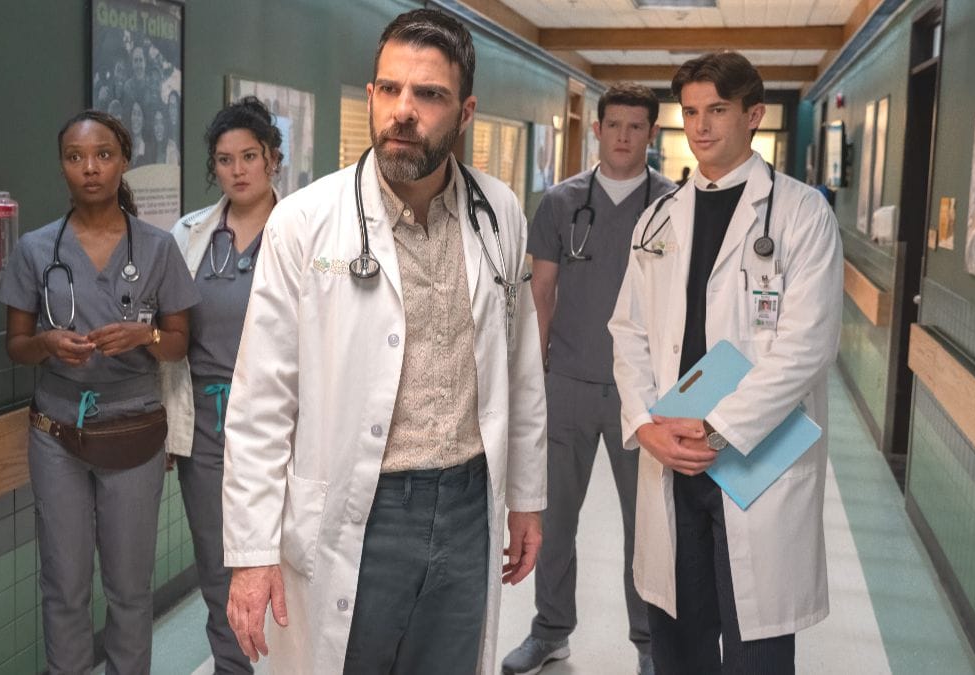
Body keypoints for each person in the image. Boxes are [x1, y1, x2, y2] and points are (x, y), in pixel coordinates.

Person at [220, 9, 547, 674]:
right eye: (389, 89)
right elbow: (260, 402)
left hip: (466, 505)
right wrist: (253, 553)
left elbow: (521, 369)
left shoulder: (499, 213)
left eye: (429, 94)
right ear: (370, 96)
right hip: (361, 509)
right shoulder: (306, 223)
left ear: (465, 111)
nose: (404, 110)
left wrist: (527, 499)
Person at [609, 51, 842, 674]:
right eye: (690, 112)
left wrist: (719, 426)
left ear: (753, 115)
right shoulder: (658, 218)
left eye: (717, 110)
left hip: (753, 455)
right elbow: (627, 330)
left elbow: (809, 344)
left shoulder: (799, 213)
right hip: (672, 453)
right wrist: (646, 424)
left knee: (756, 649)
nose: (701, 126)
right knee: (678, 640)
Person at [0, 110, 200, 673]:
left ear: (124, 161)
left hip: (132, 435)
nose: (90, 169)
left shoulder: (158, 248)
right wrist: (47, 343)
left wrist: (146, 334)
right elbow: (15, 345)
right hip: (56, 434)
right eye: (75, 157)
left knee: (130, 589)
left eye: (103, 155)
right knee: (63, 584)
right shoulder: (37, 250)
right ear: (62, 165)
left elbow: (179, 343)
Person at [503, 82, 675, 675]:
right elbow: (541, 292)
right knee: (552, 521)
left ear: (651, 135)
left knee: (647, 528)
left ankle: (650, 643)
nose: (624, 136)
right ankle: (550, 629)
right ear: (596, 128)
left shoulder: (673, 205)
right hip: (568, 383)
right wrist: (536, 375)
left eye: (637, 127)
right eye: (615, 124)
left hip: (644, 395)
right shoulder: (559, 203)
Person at [161, 96, 282, 675]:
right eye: (225, 159)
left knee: (285, 565)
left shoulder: (302, 233)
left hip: (283, 429)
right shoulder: (189, 235)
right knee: (219, 566)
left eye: (249, 156)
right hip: (207, 429)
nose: (237, 170)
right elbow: (169, 332)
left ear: (273, 160)